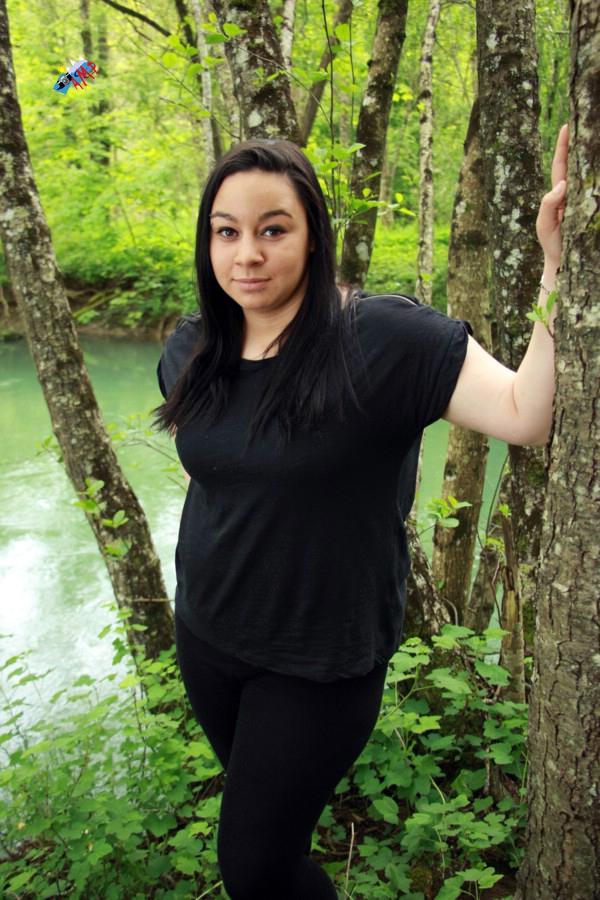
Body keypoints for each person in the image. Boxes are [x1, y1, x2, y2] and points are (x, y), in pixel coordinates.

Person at [154, 126, 567, 900]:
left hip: (318, 660)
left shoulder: (385, 340)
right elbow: (220, 474)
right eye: (227, 232)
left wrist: (555, 266)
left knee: (254, 866)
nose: (247, 254)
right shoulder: (192, 350)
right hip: (207, 636)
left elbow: (526, 414)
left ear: (313, 235)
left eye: (273, 230)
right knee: (270, 843)